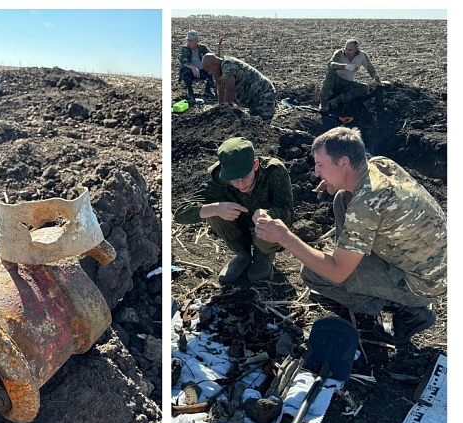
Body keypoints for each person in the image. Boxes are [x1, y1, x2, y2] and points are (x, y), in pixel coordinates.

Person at [254, 127, 446, 345]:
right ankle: (350, 261)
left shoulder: (365, 206)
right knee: (341, 199)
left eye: (321, 165)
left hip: (422, 283)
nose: (316, 172)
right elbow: (360, 192)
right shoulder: (379, 165)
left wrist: (284, 237)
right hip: (432, 260)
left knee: (314, 274)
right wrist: (337, 181)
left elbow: (336, 273)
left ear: (343, 162)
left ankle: (409, 310)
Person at [173, 137, 293, 283]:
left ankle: (263, 256)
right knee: (213, 212)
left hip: (263, 231)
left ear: (255, 165)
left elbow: (287, 212)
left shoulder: (274, 171)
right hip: (239, 226)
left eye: (245, 177)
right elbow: (180, 213)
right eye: (233, 179)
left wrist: (269, 214)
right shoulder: (220, 177)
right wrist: (216, 208)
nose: (240, 184)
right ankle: (242, 255)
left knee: (267, 223)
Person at [202, 53, 276, 123]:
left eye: (209, 70)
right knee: (251, 124)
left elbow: (229, 92)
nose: (209, 73)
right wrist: (220, 111)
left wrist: (226, 114)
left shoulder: (228, 68)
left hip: (264, 94)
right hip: (252, 100)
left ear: (213, 65)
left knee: (259, 125)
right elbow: (221, 92)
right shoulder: (217, 72)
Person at [319, 39, 386, 111]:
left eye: (350, 50)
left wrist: (378, 81)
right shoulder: (339, 53)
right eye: (346, 49)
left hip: (348, 84)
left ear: (356, 50)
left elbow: (370, 69)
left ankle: (336, 101)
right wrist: (345, 66)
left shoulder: (362, 56)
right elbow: (330, 65)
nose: (347, 51)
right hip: (336, 82)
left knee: (364, 88)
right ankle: (323, 103)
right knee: (330, 72)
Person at [178, 30, 215, 102]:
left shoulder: (203, 48)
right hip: (192, 72)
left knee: (214, 68)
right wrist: (193, 68)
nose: (189, 42)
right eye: (188, 40)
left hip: (204, 71)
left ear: (197, 40)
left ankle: (208, 90)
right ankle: (190, 91)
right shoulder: (185, 49)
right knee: (183, 69)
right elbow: (183, 61)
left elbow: (211, 57)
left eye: (191, 40)